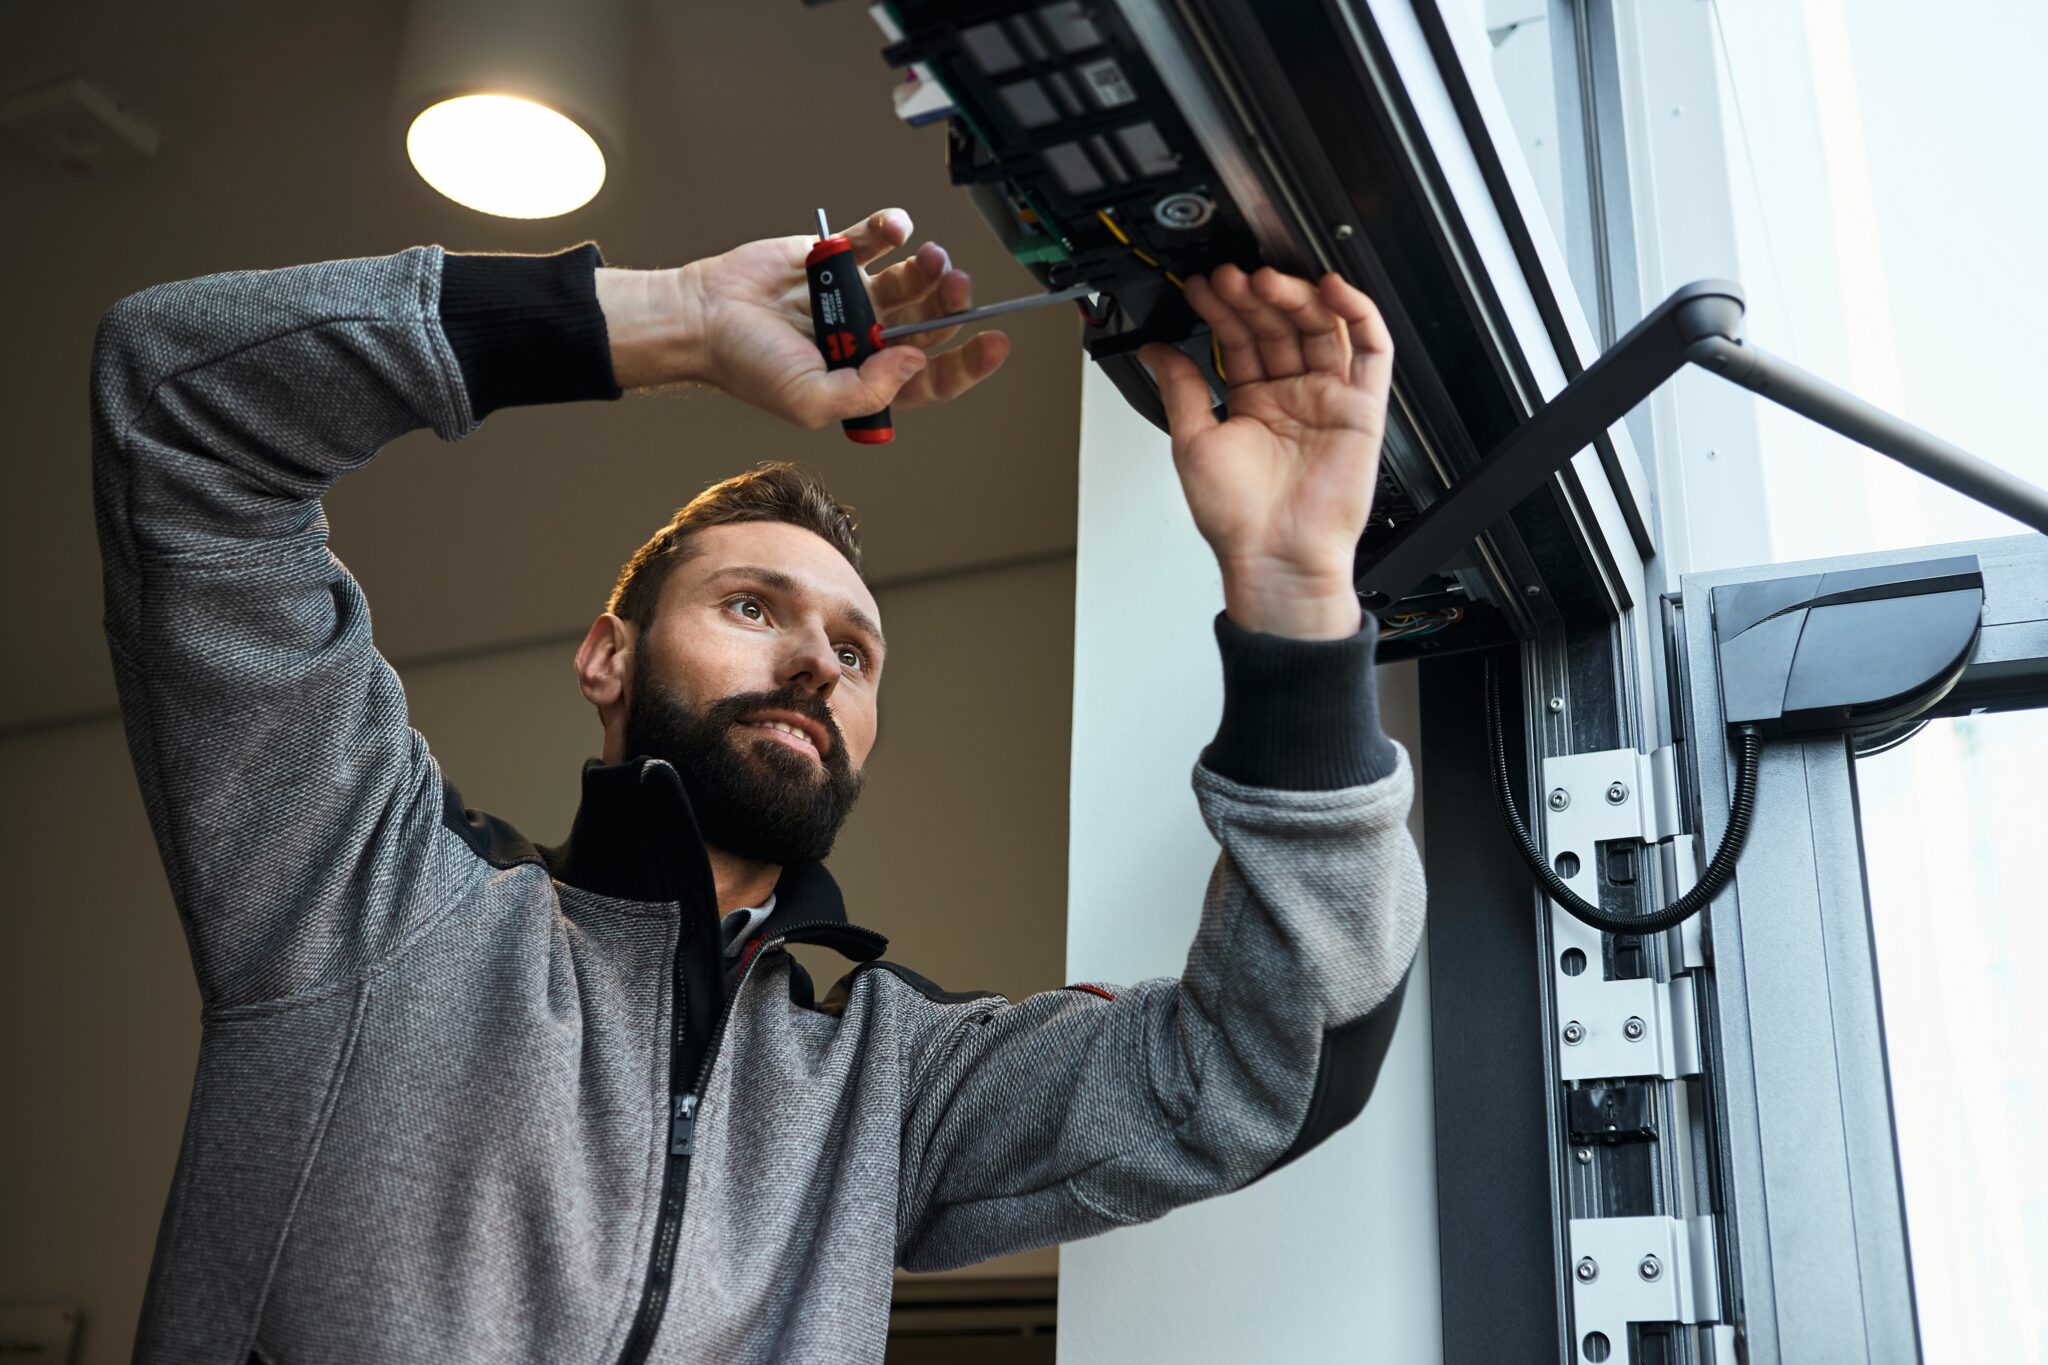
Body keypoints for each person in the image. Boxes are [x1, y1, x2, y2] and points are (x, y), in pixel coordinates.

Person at [92, 207, 1425, 1364]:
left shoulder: (886, 1084)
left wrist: (1298, 598)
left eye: (856, 650)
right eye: (750, 604)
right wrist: (669, 319)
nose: (814, 661)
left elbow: (1267, 1069)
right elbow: (178, 407)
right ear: (608, 655)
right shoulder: (370, 900)